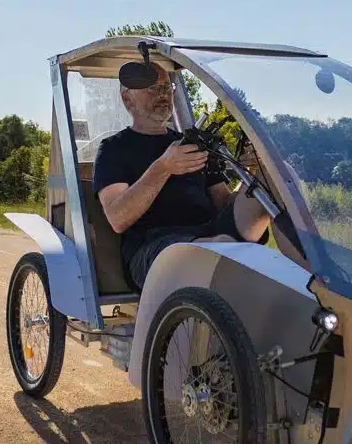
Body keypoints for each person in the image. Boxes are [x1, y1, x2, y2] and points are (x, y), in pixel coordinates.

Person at [92, 61, 271, 292]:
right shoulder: (113, 149)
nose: (163, 95)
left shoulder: (191, 143)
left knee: (271, 184)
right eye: (153, 89)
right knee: (222, 250)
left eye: (167, 88)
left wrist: (250, 174)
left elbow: (224, 203)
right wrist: (164, 167)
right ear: (127, 99)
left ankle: (317, 290)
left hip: (208, 232)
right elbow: (118, 219)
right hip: (153, 247)